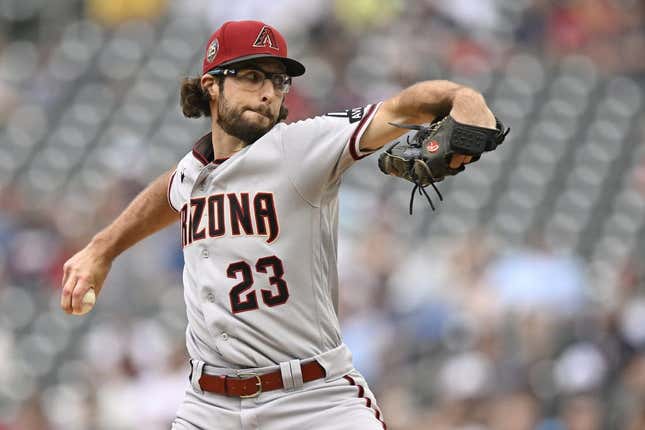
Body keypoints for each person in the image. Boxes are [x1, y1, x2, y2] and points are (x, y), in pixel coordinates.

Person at [60, 19, 496, 429]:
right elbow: (169, 191)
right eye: (252, 77)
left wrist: (467, 100)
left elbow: (406, 105)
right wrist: (102, 249)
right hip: (208, 405)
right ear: (211, 85)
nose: (268, 91)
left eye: (278, 80)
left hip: (312, 399)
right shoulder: (193, 171)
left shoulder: (301, 147)